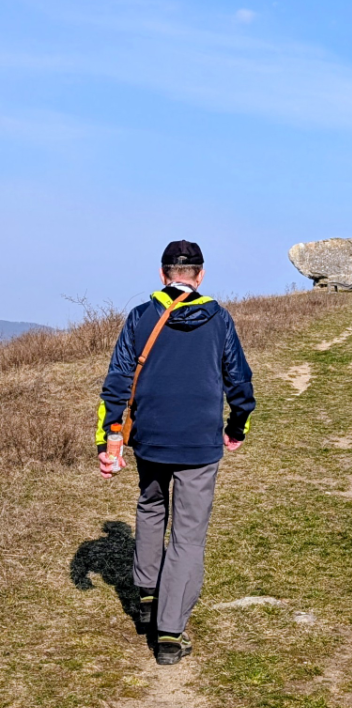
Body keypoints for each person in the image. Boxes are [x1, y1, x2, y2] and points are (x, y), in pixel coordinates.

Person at [95, 240, 255, 665]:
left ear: (163, 274)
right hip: (200, 442)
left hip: (150, 437)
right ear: (200, 275)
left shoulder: (141, 316)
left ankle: (148, 597)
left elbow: (117, 379)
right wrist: (237, 425)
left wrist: (109, 437)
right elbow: (239, 379)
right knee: (188, 534)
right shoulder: (219, 318)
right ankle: (169, 634)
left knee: (150, 508)